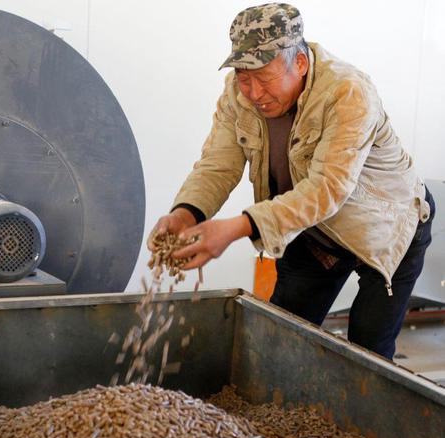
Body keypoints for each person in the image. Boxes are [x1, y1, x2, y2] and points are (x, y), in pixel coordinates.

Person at [147, 2, 435, 360]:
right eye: (243, 77)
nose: (253, 93)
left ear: (299, 63)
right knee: (281, 334)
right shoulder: (239, 94)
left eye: (264, 79)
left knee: (368, 351)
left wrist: (237, 228)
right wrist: (185, 214)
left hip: (388, 227)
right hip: (315, 230)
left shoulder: (348, 92)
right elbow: (217, 163)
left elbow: (327, 188)